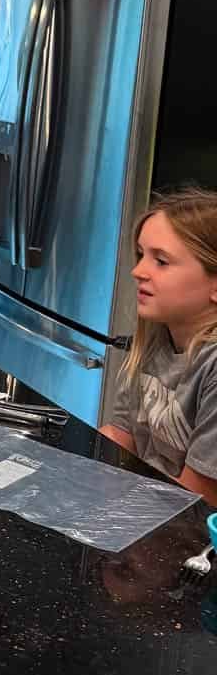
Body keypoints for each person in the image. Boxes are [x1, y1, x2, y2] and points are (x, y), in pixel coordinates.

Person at [100, 189, 217, 505]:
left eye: (161, 261)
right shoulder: (155, 338)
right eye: (141, 255)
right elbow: (121, 437)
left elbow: (197, 498)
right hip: (152, 516)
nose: (138, 271)